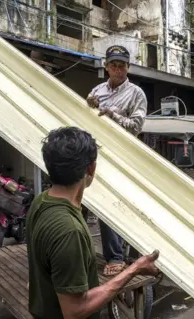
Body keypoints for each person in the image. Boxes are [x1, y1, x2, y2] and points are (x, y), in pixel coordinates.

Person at [26, 127, 159, 319]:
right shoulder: (69, 230)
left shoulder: (40, 202)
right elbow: (75, 311)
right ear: (91, 168)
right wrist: (134, 269)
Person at [86, 45, 148, 276]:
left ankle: (116, 257)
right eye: (114, 65)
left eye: (122, 65)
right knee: (81, 202)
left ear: (128, 67)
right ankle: (80, 251)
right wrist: (90, 106)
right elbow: (87, 116)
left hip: (121, 158)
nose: (118, 69)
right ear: (107, 67)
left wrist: (113, 116)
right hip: (96, 154)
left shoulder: (136, 93)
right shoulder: (97, 91)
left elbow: (136, 127)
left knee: (109, 205)